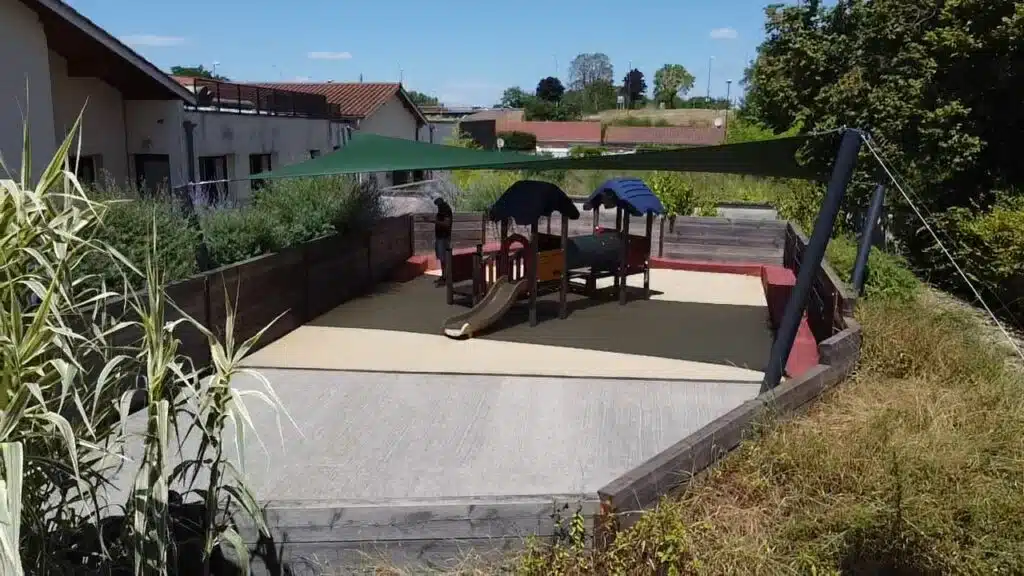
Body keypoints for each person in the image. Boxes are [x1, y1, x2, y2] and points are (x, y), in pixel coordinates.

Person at [433, 197, 453, 285]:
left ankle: (446, 277)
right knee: (442, 258)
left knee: (444, 258)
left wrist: (436, 222)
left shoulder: (445, 210)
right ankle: (444, 276)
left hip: (444, 237)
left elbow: (446, 224)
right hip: (440, 237)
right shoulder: (442, 210)